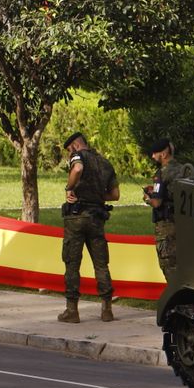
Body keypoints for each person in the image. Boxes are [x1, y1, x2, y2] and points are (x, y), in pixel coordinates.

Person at [58, 131, 119, 323]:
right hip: (96, 218)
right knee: (101, 264)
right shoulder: (105, 163)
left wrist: (69, 189)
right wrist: (98, 197)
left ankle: (72, 310)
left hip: (76, 218)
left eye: (69, 150)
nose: (69, 154)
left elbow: (76, 169)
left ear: (76, 145)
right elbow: (115, 194)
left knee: (72, 263)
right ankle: (107, 309)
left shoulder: (78, 156)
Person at [144, 137, 194, 277]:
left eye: (155, 153)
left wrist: (148, 198)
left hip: (168, 227)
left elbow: (157, 202)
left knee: (169, 265)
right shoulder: (185, 170)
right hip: (187, 224)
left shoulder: (161, 174)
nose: (153, 156)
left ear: (164, 154)